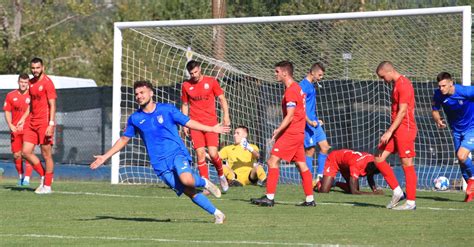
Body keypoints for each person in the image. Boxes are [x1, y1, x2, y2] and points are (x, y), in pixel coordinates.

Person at [90, 80, 229, 224]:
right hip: (159, 164)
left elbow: (188, 122)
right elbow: (124, 139)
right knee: (189, 191)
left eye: (142, 92)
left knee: (187, 180)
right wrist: (105, 156)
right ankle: (218, 214)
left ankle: (204, 182)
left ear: (151, 93)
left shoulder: (167, 109)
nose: (139, 96)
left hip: (176, 153)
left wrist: (211, 129)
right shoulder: (135, 118)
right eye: (136, 94)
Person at [250, 61, 315, 207]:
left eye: (277, 71)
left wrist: (279, 129)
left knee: (272, 161)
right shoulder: (297, 88)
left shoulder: (291, 90)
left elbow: (291, 115)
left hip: (291, 133)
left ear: (285, 73)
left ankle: (269, 197)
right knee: (301, 165)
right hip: (298, 132)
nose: (275, 74)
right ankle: (310, 199)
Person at [181, 60, 230, 192]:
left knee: (213, 154)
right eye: (192, 73)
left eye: (196, 72)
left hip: (212, 124)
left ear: (200, 69)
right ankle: (206, 186)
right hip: (195, 125)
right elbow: (185, 105)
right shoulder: (186, 85)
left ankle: (221, 175)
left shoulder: (211, 81)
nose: (194, 75)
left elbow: (222, 99)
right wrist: (184, 123)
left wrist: (226, 116)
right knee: (200, 154)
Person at [375, 61, 417, 210]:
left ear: (388, 71)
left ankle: (411, 202)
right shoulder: (397, 84)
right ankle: (398, 192)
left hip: (405, 129)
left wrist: (389, 131)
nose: (382, 80)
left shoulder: (403, 84)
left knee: (407, 164)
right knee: (379, 158)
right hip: (396, 128)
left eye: (382, 77)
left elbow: (403, 111)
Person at [431, 72, 474, 202]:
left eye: (444, 85)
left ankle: (473, 179)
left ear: (451, 83)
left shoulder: (466, 91)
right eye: (439, 86)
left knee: (462, 156)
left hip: (471, 128)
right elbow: (435, 110)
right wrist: (438, 120)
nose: (441, 88)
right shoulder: (438, 94)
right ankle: (471, 193)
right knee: (461, 163)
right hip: (456, 131)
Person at [22, 57, 57, 194]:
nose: (35, 70)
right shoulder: (30, 83)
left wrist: (51, 124)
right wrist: (23, 119)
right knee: (25, 152)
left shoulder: (48, 83)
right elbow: (31, 105)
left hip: (44, 123)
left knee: (46, 154)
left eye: (37, 68)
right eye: (33, 68)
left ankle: (47, 186)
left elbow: (52, 104)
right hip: (32, 123)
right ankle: (45, 176)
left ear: (43, 67)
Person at [3, 73, 45, 186]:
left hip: (29, 128)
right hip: (16, 129)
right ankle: (20, 177)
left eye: (26, 82)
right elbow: (7, 111)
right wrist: (10, 124)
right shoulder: (11, 95)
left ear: (28, 83)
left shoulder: (32, 95)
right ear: (18, 82)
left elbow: (33, 109)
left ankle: (27, 178)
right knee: (17, 155)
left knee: (27, 153)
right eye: (22, 82)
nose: (23, 84)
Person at [299, 62, 331, 189]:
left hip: (314, 122)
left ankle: (320, 177)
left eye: (322, 75)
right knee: (310, 151)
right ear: (312, 72)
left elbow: (309, 106)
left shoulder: (311, 85)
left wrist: (316, 119)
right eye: (320, 74)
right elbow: (300, 107)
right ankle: (308, 180)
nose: (321, 77)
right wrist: (308, 121)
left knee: (325, 147)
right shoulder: (303, 86)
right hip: (308, 124)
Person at [318, 149, 384, 195]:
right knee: (324, 191)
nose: (371, 174)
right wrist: (373, 194)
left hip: (347, 165)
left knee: (350, 188)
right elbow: (354, 192)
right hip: (334, 159)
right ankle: (320, 182)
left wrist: (375, 190)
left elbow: (370, 176)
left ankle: (334, 183)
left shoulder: (373, 161)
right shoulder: (357, 165)